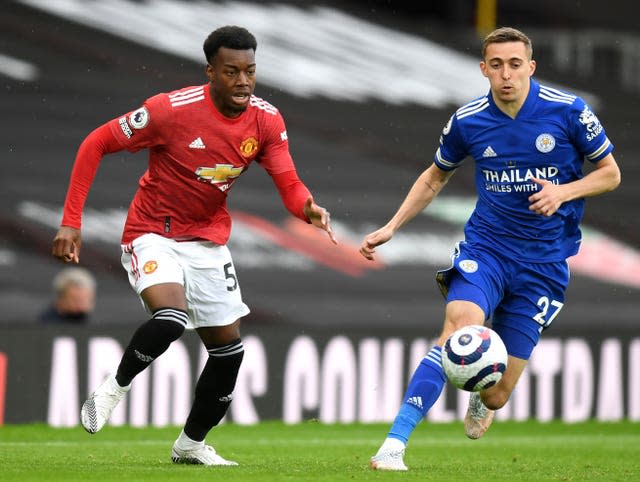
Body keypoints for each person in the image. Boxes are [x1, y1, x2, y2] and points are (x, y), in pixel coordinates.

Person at [51, 25, 337, 466]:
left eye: (250, 71)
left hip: (206, 240)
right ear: (211, 72)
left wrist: (307, 209)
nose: (243, 81)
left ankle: (190, 445)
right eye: (231, 72)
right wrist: (71, 222)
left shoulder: (266, 120)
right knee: (170, 318)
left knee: (229, 353)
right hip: (152, 232)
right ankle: (115, 389)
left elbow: (288, 180)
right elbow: (96, 142)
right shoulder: (170, 110)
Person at [359, 26, 621, 471]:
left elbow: (610, 173)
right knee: (456, 332)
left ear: (531, 67)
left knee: (496, 390)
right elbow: (434, 176)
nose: (506, 75)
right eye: (496, 65)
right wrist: (392, 226)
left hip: (545, 262)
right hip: (488, 249)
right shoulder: (469, 120)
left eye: (515, 64)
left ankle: (485, 400)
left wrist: (564, 192)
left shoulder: (568, 111)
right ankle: (393, 445)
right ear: (483, 69)